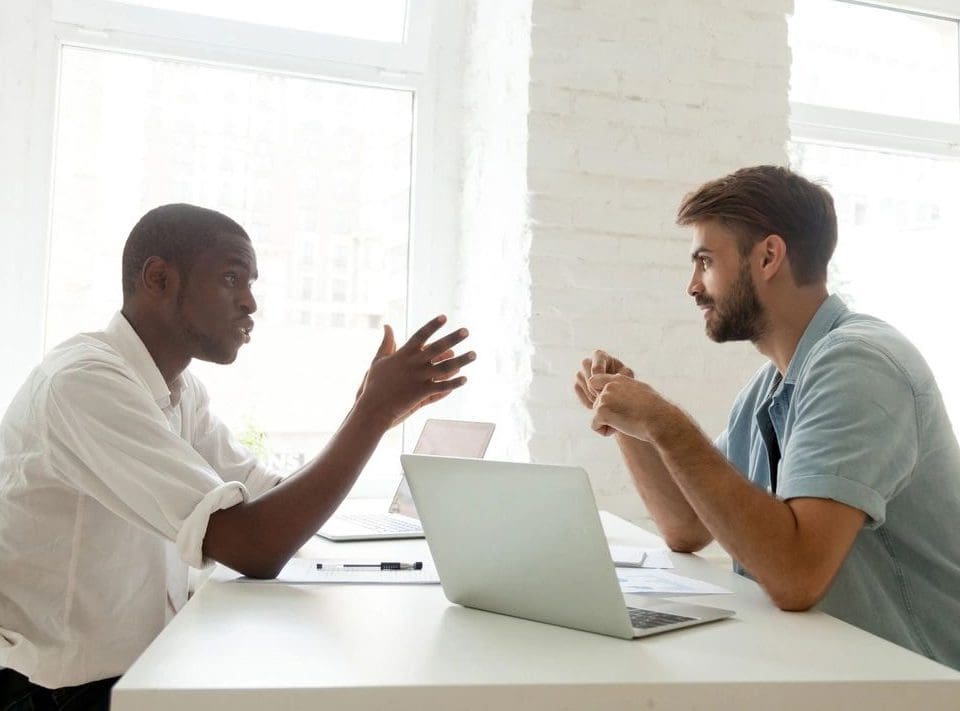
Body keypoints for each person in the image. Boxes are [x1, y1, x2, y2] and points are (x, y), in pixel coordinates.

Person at [0, 203, 477, 708]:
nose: (250, 303)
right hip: (54, 695)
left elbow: (271, 501)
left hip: (139, 672)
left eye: (251, 284)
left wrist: (365, 410)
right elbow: (253, 545)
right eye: (232, 278)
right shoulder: (85, 383)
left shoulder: (177, 390)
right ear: (159, 279)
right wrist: (370, 417)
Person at [574, 165, 960, 670]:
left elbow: (797, 576)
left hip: (918, 679)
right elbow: (687, 525)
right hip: (832, 671)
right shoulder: (775, 382)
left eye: (705, 261)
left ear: (769, 257)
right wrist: (631, 421)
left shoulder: (860, 366)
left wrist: (664, 421)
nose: (692, 286)